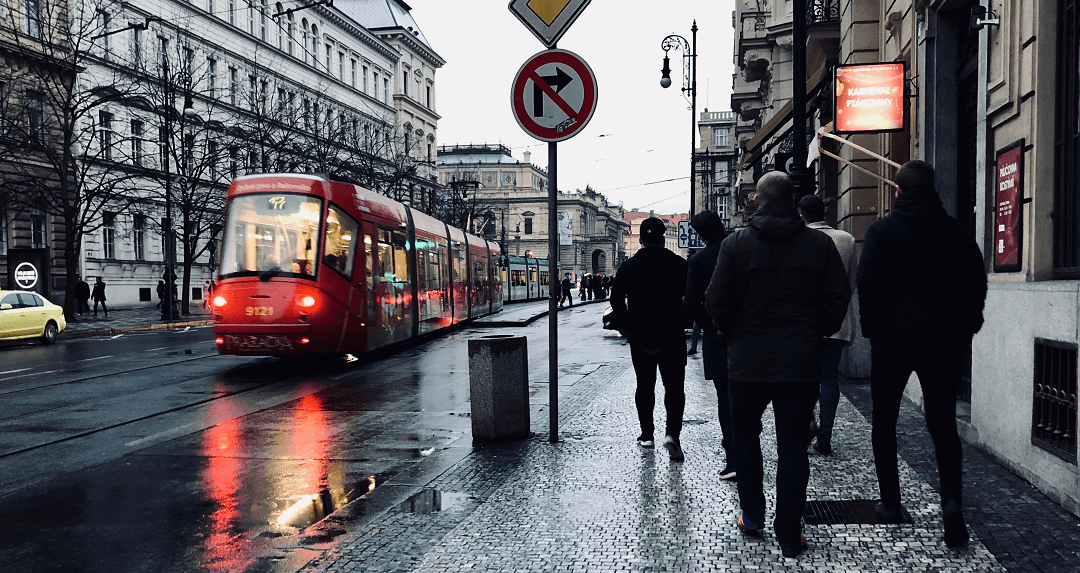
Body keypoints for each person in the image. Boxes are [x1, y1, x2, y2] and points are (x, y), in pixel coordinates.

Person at [704, 172, 850, 558]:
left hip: (746, 364)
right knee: (793, 447)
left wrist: (731, 333)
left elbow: (715, 300)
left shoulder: (736, 244)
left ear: (757, 201)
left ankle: (752, 516)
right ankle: (789, 533)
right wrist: (816, 332)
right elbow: (839, 297)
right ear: (793, 200)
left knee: (746, 440)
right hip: (799, 362)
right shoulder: (819, 245)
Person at [857, 160, 987, 548]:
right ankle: (951, 505)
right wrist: (967, 327)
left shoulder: (882, 231)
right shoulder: (955, 232)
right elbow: (975, 283)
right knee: (943, 425)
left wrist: (874, 331)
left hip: (892, 342)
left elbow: (867, 284)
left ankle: (891, 503)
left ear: (898, 191)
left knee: (884, 422)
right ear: (934, 189)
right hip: (943, 341)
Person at [610, 217, 689, 461]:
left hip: (641, 338)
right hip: (672, 336)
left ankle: (647, 435)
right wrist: (682, 321)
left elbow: (616, 301)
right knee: (674, 388)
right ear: (664, 238)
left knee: (645, 386)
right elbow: (692, 297)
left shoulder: (628, 266)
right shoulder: (679, 264)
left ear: (641, 239)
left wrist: (627, 328)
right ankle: (672, 435)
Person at [797, 194, 858, 456]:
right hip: (837, 320)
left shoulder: (798, 238)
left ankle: (808, 421)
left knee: (802, 378)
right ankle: (826, 435)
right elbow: (851, 283)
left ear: (802, 214)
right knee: (830, 378)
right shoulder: (846, 239)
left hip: (804, 322)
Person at [683, 210, 736, 481]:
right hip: (748, 333)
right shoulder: (741, 246)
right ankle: (748, 453)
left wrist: (708, 325)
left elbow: (690, 302)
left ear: (699, 234)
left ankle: (734, 457)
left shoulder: (699, 260)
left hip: (717, 337)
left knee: (725, 398)